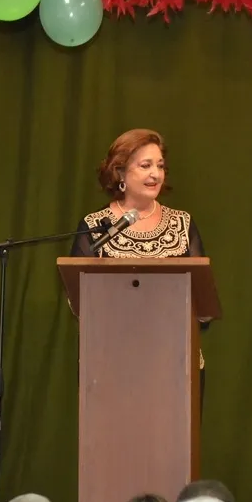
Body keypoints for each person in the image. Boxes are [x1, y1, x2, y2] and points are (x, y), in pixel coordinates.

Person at [70, 128, 210, 412]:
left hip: (176, 367)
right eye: (145, 165)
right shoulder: (96, 226)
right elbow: (80, 301)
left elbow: (202, 300)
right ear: (120, 172)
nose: (155, 174)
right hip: (111, 366)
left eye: (160, 166)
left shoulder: (182, 224)